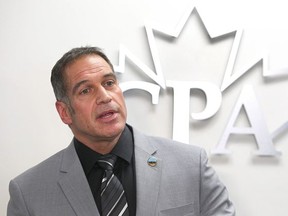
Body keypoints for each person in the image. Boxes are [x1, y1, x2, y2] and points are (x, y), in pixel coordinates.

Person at [7, 46, 235, 216]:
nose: (105, 97)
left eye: (109, 83)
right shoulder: (28, 193)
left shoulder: (191, 166)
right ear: (65, 112)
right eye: (86, 90)